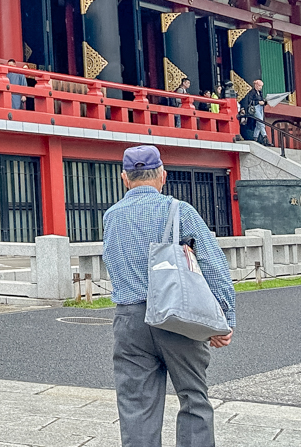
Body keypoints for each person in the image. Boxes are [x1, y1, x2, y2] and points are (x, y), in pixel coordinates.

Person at [102, 145, 236, 447]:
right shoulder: (179, 210)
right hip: (179, 316)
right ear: (163, 175)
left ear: (125, 178)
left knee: (136, 407)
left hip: (130, 320)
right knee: (193, 399)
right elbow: (214, 264)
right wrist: (224, 318)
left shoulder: (112, 217)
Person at [238, 77, 267, 143]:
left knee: (258, 123)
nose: (260, 88)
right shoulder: (252, 92)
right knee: (260, 121)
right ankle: (264, 136)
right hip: (255, 107)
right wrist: (258, 102)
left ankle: (255, 137)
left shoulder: (260, 92)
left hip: (260, 108)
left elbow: (262, 99)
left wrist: (264, 102)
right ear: (256, 85)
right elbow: (250, 101)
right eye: (259, 86)